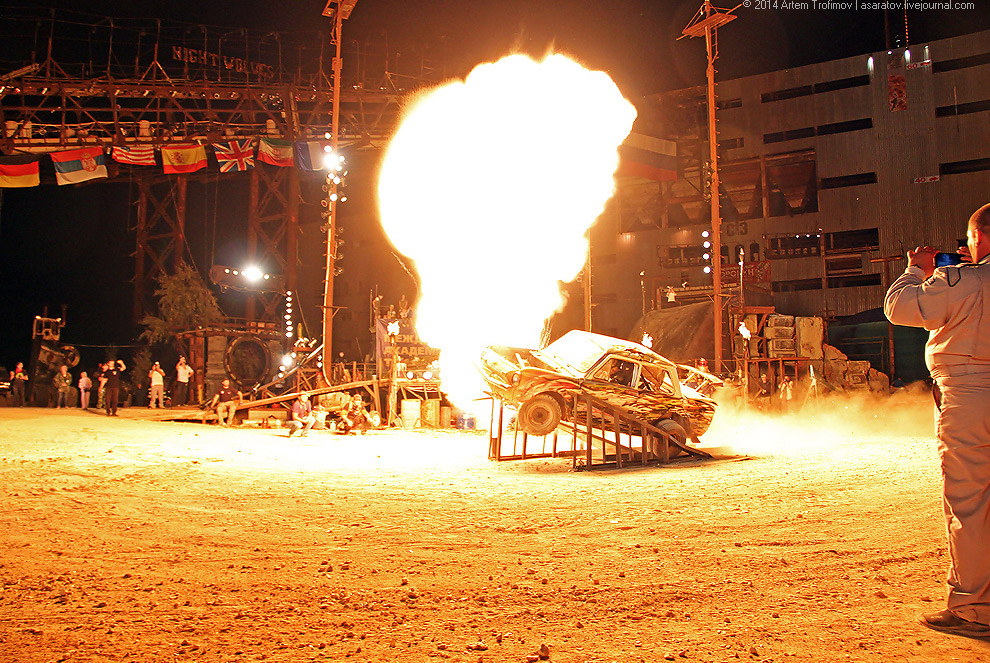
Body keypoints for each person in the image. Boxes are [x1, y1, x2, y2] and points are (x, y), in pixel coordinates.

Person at [884, 202, 990, 637]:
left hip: (968, 395)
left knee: (970, 502)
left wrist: (917, 270)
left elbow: (900, 308)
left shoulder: (959, 280)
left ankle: (974, 608)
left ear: (979, 238)